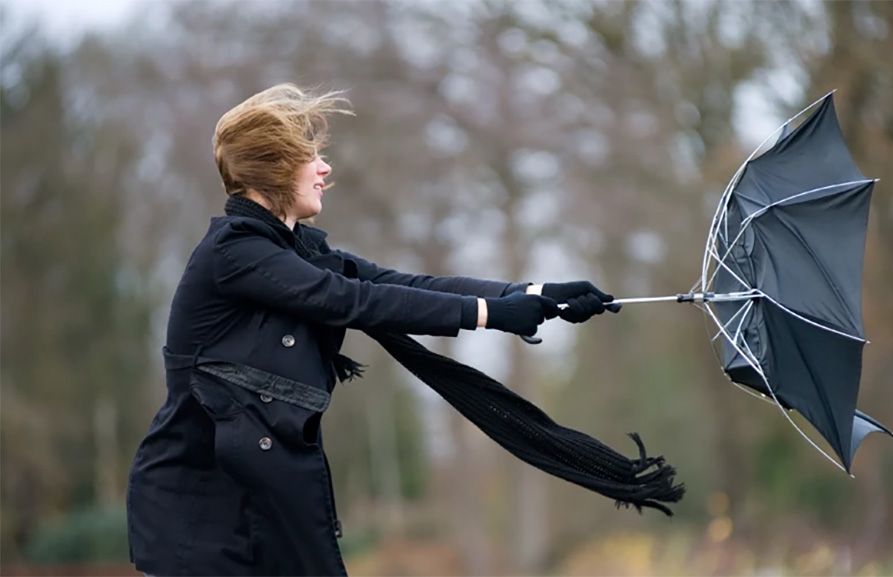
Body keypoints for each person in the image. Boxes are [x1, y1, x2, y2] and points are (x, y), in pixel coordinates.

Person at [126, 83, 620, 576]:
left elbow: (399, 283)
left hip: (267, 512)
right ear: (273, 168)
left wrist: (532, 294)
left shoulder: (297, 252)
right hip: (200, 526)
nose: (325, 168)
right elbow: (352, 300)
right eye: (309, 157)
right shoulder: (233, 253)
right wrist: (488, 315)